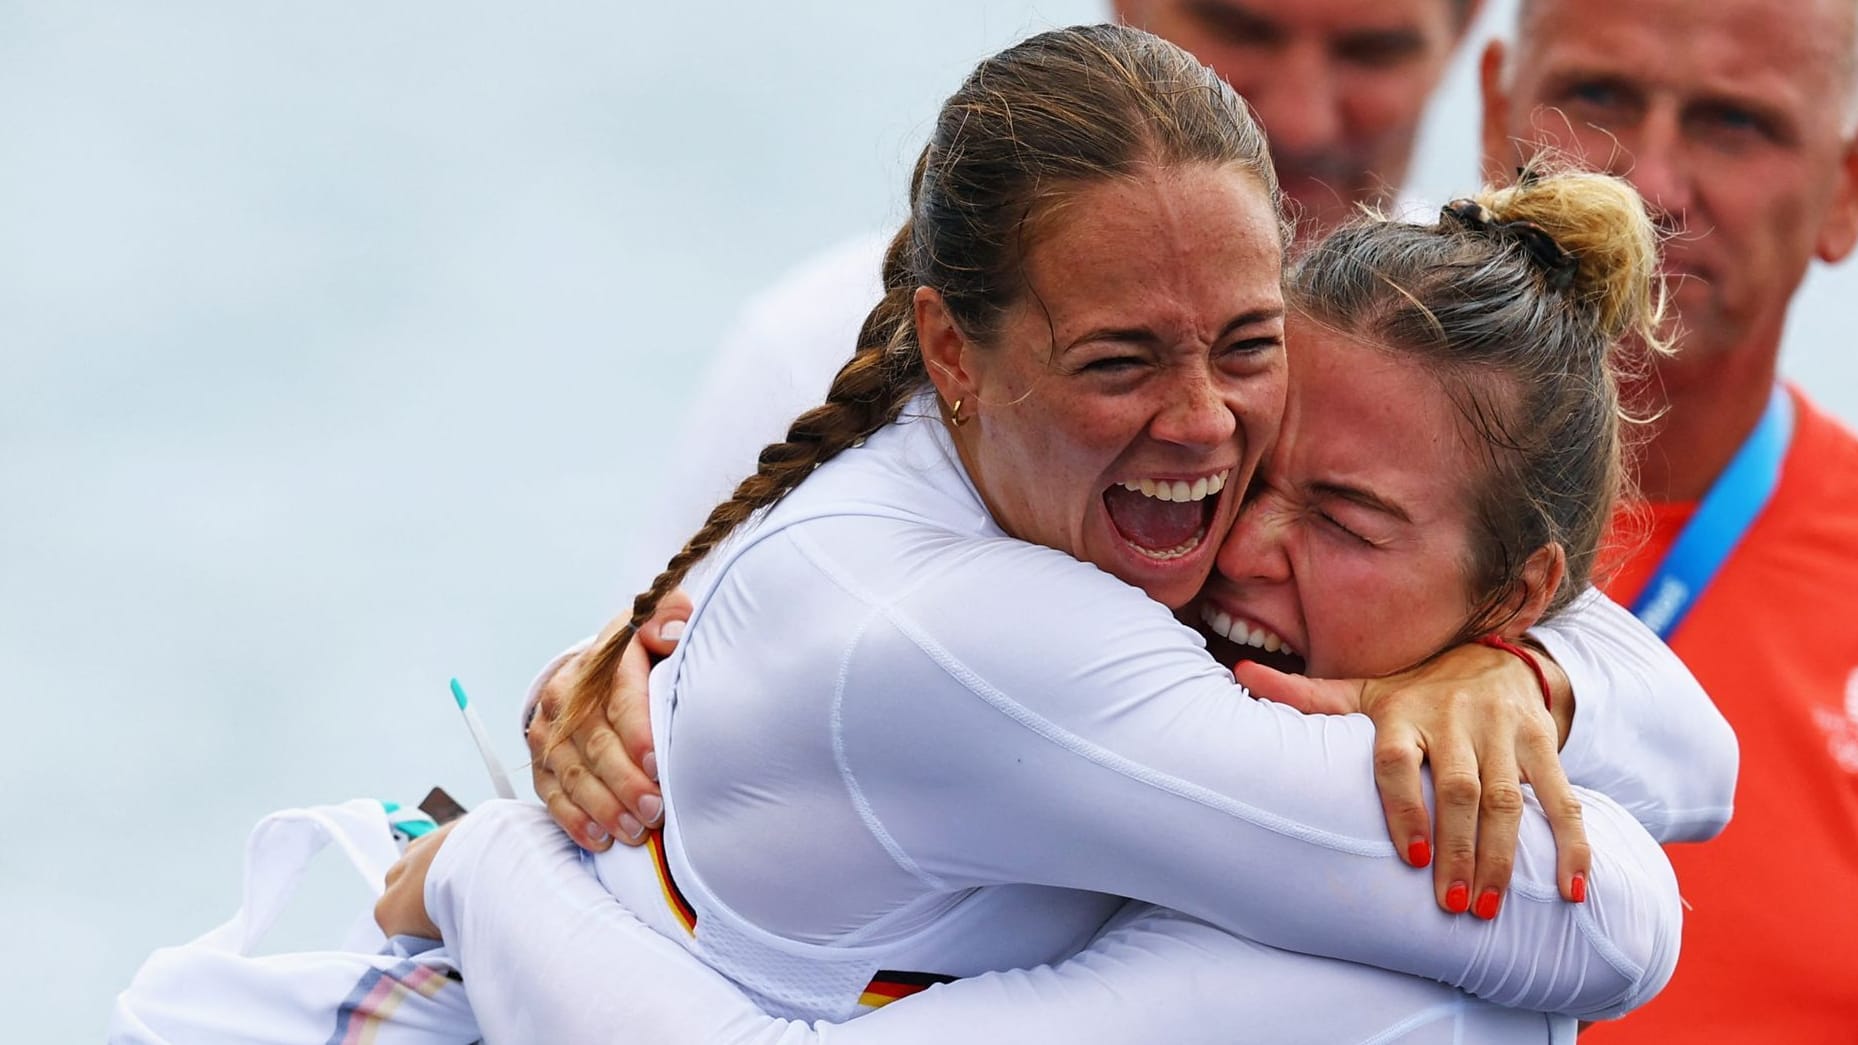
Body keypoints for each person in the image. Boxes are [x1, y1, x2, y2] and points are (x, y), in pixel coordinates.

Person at [382, 164, 1723, 1043]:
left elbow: (1626, 895)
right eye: (1245, 463)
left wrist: (489, 869)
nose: (1239, 538)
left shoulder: (1378, 970)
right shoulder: (1067, 618)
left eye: (1345, 519)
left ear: (1517, 591)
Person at [618, 0, 1491, 659]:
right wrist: (607, 687)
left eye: (1371, 49)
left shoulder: (1460, 343)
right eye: (1243, 27)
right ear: (950, 353)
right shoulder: (809, 343)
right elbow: (650, 676)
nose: (1299, 117)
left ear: (1470, 27)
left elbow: (1577, 615)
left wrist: (1529, 679)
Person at [1476, 0, 1858, 1040]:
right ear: (1491, 111)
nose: (1646, 185)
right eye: (1596, 97)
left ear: (1845, 192)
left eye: (1734, 122)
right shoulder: (1261, 498)